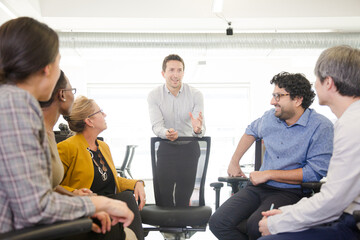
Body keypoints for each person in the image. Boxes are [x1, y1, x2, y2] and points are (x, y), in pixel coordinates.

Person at [0, 17, 133, 238]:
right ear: (46, 68)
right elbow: (34, 209)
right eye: (59, 63)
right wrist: (98, 204)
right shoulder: (16, 104)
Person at [209, 72, 334, 240]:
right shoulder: (270, 117)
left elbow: (314, 173)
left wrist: (268, 174)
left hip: (291, 192)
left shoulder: (321, 127)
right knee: (218, 221)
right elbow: (250, 131)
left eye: (278, 96)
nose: (272, 101)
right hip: (258, 187)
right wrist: (234, 162)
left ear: (297, 100)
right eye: (273, 95)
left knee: (256, 226)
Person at [258, 46, 360, 240]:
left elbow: (333, 201)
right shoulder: (349, 120)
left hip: (350, 222)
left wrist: (278, 223)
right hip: (345, 213)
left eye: (317, 79)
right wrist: (287, 214)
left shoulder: (351, 126)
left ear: (328, 82)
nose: (315, 85)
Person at [57, 96, 145, 240]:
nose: (104, 115)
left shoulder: (103, 146)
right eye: (100, 112)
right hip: (89, 207)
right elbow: (52, 186)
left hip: (108, 204)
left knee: (127, 196)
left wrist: (136, 183)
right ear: (89, 121)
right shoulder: (66, 147)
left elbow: (112, 178)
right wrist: (75, 192)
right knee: (126, 198)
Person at [147, 54, 205, 207]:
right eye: (171, 70)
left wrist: (198, 129)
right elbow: (156, 126)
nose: (175, 74)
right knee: (164, 194)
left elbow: (200, 127)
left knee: (183, 196)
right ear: (163, 73)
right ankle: (167, 229)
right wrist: (166, 133)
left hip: (189, 148)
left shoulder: (196, 95)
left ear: (183, 73)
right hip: (167, 147)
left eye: (179, 70)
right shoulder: (154, 95)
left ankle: (181, 228)